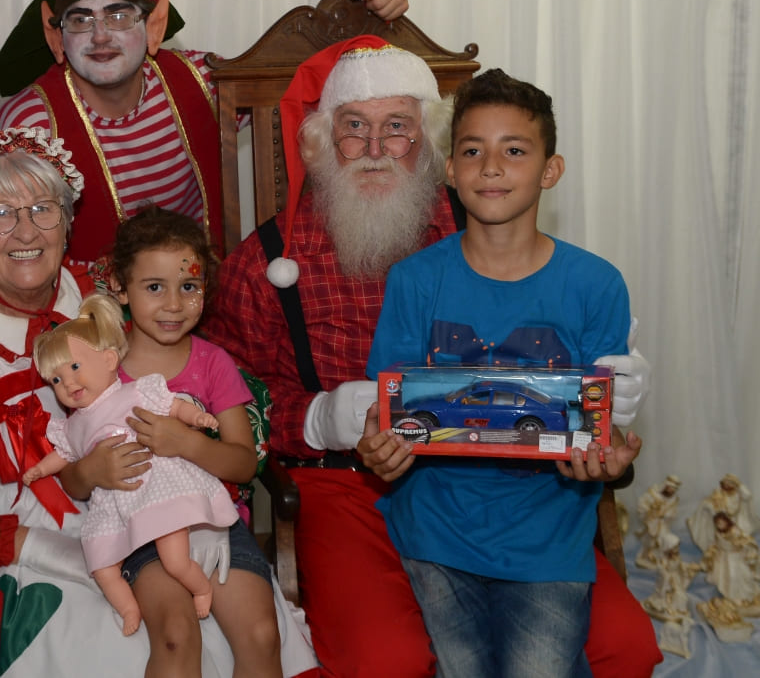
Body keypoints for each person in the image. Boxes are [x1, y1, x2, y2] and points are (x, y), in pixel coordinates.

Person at [198, 35, 661, 677]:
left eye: (397, 128)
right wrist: (315, 416)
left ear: (432, 147)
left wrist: (610, 399)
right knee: (387, 661)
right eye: (353, 128)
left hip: (515, 490)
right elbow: (216, 394)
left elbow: (565, 340)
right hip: (342, 482)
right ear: (324, 141)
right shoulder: (268, 260)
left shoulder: (483, 217)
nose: (375, 147)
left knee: (626, 647)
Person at [0, 128, 311, 677]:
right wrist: (24, 542)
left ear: (67, 223)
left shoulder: (111, 297)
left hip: (153, 514)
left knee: (237, 634)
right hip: (13, 550)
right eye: (0, 214)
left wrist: (203, 501)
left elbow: (219, 395)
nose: (26, 230)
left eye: (43, 209)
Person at [355, 67, 643, 677]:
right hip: (435, 532)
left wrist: (610, 458)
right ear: (449, 170)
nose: (490, 167)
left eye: (514, 151)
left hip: (549, 538)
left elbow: (603, 424)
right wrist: (377, 447)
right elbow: (387, 408)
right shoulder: (414, 279)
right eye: (472, 151)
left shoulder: (596, 285)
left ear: (550, 170)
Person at [0, 0, 408, 261]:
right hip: (88, 321)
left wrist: (374, 12)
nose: (100, 36)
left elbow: (321, 84)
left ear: (154, 26)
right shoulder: (30, 125)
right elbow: (9, 245)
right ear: (57, 37)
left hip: (198, 305)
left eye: (119, 16)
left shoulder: (203, 79)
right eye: (81, 20)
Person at [110, 204, 299, 678]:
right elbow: (73, 469)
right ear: (120, 288)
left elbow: (243, 464)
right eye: (155, 287)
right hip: (142, 529)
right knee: (176, 633)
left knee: (262, 634)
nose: (174, 304)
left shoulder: (213, 363)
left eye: (189, 286)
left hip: (217, 523)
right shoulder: (102, 365)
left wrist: (187, 443)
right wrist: (94, 470)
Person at [25, 293, 238, 634]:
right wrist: (40, 469)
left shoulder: (135, 392)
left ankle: (201, 588)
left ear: (109, 359)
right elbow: (64, 455)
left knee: (175, 561)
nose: (68, 384)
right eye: (57, 380)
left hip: (153, 487)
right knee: (101, 564)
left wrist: (196, 417)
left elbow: (172, 406)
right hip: (114, 502)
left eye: (75, 368)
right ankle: (128, 609)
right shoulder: (73, 426)